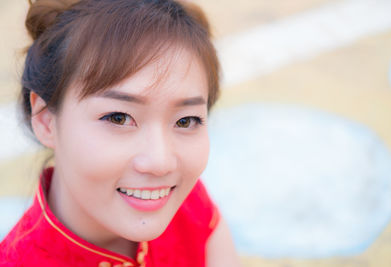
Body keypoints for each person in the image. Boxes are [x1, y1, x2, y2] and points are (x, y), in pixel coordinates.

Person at [0, 0, 240, 266]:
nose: (160, 163)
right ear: (46, 121)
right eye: (119, 118)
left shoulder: (187, 207)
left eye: (185, 121)